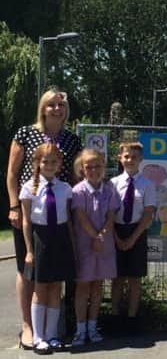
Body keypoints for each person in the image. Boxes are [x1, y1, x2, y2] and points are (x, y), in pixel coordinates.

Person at [5, 88, 82, 350]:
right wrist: (14, 206)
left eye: (61, 104)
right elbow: (12, 174)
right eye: (52, 104)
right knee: (28, 271)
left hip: (59, 216)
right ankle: (28, 327)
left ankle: (50, 331)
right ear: (43, 108)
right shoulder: (26, 133)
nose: (57, 109)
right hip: (30, 213)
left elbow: (75, 177)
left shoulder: (72, 140)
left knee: (54, 277)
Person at [19, 143, 75, 354]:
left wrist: (72, 246)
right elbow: (26, 221)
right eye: (45, 161)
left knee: (55, 287)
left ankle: (52, 335)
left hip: (60, 238)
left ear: (59, 164)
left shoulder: (65, 189)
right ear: (37, 163)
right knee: (40, 288)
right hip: (40, 238)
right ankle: (38, 336)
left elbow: (68, 219)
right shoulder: (28, 188)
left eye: (53, 162)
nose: (49, 165)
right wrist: (29, 250)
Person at [70, 149, 119, 346]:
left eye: (97, 166)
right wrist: (94, 236)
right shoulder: (78, 191)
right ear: (82, 169)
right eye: (88, 167)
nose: (93, 170)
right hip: (85, 245)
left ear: (103, 167)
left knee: (98, 285)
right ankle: (80, 330)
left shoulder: (110, 190)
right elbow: (81, 216)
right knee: (83, 286)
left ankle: (92, 326)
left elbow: (111, 216)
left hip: (104, 245)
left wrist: (102, 236)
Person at [110, 142, 157, 333]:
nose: (130, 160)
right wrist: (115, 237)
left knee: (135, 278)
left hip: (137, 232)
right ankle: (114, 316)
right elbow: (109, 214)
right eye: (126, 156)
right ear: (120, 158)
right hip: (117, 232)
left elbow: (147, 214)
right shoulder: (113, 184)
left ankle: (132, 318)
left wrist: (132, 239)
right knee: (117, 278)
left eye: (134, 157)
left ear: (141, 160)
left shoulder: (147, 185)